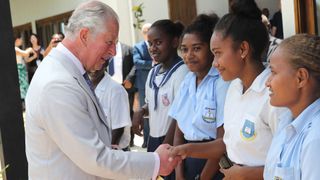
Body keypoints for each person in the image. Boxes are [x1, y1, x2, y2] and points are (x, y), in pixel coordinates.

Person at [25, 1, 180, 179]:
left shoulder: (68, 71)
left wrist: (106, 146)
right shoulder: (57, 84)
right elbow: (95, 159)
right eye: (109, 42)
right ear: (84, 35)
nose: (113, 52)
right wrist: (156, 162)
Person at [169, 0, 288, 179]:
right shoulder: (234, 87)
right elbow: (226, 144)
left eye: (218, 53)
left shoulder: (274, 95)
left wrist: (244, 174)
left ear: (242, 49)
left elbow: (288, 164)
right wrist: (187, 149)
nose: (214, 62)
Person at [169, 13, 227, 180]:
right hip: (185, 159)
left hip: (212, 162)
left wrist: (203, 178)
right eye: (184, 49)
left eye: (196, 48)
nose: (189, 55)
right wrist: (179, 175)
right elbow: (179, 133)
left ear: (211, 49)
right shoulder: (187, 81)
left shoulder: (221, 82)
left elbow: (222, 141)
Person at [132, 19, 188, 179]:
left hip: (171, 141)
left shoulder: (182, 72)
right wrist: (141, 111)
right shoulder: (153, 72)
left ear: (175, 42)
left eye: (158, 42)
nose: (152, 48)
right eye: (150, 43)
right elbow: (152, 104)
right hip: (154, 139)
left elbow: (179, 115)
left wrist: (166, 146)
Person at [264, 34, 320, 179]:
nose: (267, 82)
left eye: (274, 72)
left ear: (300, 78)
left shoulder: (316, 137)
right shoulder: (286, 120)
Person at [89, 63, 132, 151]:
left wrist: (109, 152)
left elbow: (119, 128)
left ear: (105, 63)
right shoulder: (84, 85)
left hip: (112, 151)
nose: (94, 68)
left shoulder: (116, 90)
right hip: (93, 149)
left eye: (98, 63)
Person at [133, 22, 152, 148]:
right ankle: (147, 140)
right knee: (144, 112)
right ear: (142, 33)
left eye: (149, 30)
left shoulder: (157, 44)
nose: (147, 33)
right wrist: (153, 63)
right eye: (145, 31)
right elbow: (137, 62)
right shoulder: (138, 46)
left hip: (157, 81)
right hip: (143, 83)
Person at [14, 35, 37, 109]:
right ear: (17, 40)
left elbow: (26, 58)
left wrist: (34, 56)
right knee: (22, 88)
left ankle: (26, 106)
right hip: (19, 70)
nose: (21, 41)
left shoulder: (17, 48)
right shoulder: (15, 48)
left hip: (21, 69)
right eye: (20, 39)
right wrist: (30, 49)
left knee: (25, 87)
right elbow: (25, 53)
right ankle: (24, 107)